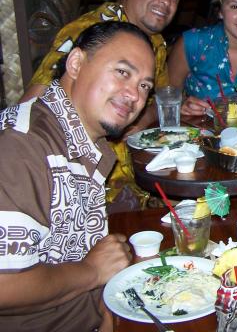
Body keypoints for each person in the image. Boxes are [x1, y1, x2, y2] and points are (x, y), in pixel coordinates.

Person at [0, 21, 155, 331]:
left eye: (144, 86)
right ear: (75, 63)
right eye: (122, 72)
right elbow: (5, 285)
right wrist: (92, 271)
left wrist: (105, 307)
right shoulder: (22, 146)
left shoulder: (77, 137)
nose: (133, 95)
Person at [20, 0, 183, 211]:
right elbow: (30, 109)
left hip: (136, 177)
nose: (166, 0)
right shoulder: (90, 33)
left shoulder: (156, 43)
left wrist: (137, 120)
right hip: (83, 189)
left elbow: (159, 100)